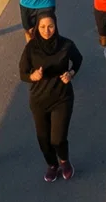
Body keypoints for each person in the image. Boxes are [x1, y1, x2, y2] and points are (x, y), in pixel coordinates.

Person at [18, 12, 83, 182]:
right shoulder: (31, 48)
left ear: (56, 26)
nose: (47, 30)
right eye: (42, 27)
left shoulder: (66, 45)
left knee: (58, 138)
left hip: (62, 98)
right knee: (43, 139)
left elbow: (78, 60)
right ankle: (52, 165)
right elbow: (23, 73)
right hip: (39, 100)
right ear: (37, 28)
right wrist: (33, 77)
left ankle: (64, 161)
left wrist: (71, 73)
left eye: (50, 26)